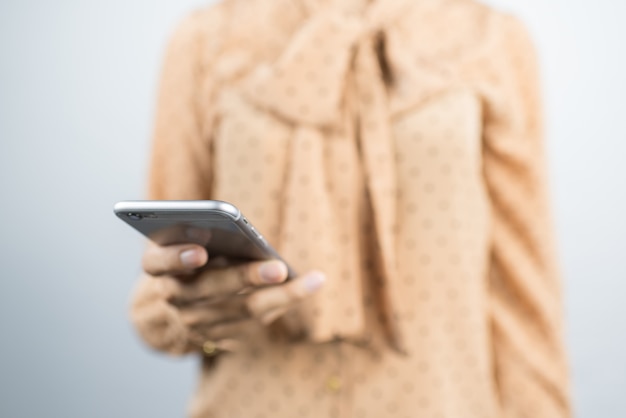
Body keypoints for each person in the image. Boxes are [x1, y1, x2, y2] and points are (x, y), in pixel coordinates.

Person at [130, 0, 571, 416]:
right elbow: (155, 308)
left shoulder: (491, 39)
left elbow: (524, 302)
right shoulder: (205, 41)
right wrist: (201, 321)